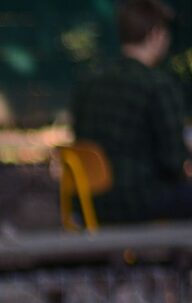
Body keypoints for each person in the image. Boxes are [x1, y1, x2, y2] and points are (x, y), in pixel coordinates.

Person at [71, 0, 192, 223]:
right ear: (156, 34)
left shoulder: (90, 81)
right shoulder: (158, 85)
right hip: (136, 200)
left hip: (88, 201)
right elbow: (173, 162)